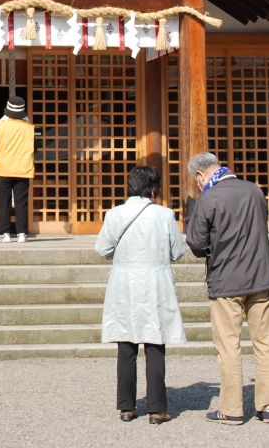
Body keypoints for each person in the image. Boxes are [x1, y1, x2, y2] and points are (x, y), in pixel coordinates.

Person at [185, 152, 269, 425]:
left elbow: (196, 243)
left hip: (226, 279)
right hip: (260, 275)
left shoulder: (209, 198)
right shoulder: (255, 191)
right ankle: (268, 407)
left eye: (196, 180)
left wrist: (212, 249)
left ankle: (232, 409)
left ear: (200, 175)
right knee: (265, 344)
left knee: (229, 346)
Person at [96, 166, 186, 425]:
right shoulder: (165, 215)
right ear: (154, 190)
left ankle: (126, 407)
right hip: (155, 281)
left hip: (124, 282)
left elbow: (102, 248)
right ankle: (157, 409)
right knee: (155, 343)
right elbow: (178, 251)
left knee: (126, 344)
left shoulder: (114, 214)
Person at [0, 94, 34, 243]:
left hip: (4, 168)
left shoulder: (1, 126)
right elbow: (35, 148)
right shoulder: (29, 128)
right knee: (21, 203)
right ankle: (22, 233)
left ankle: (5, 233)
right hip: (23, 168)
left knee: (4, 203)